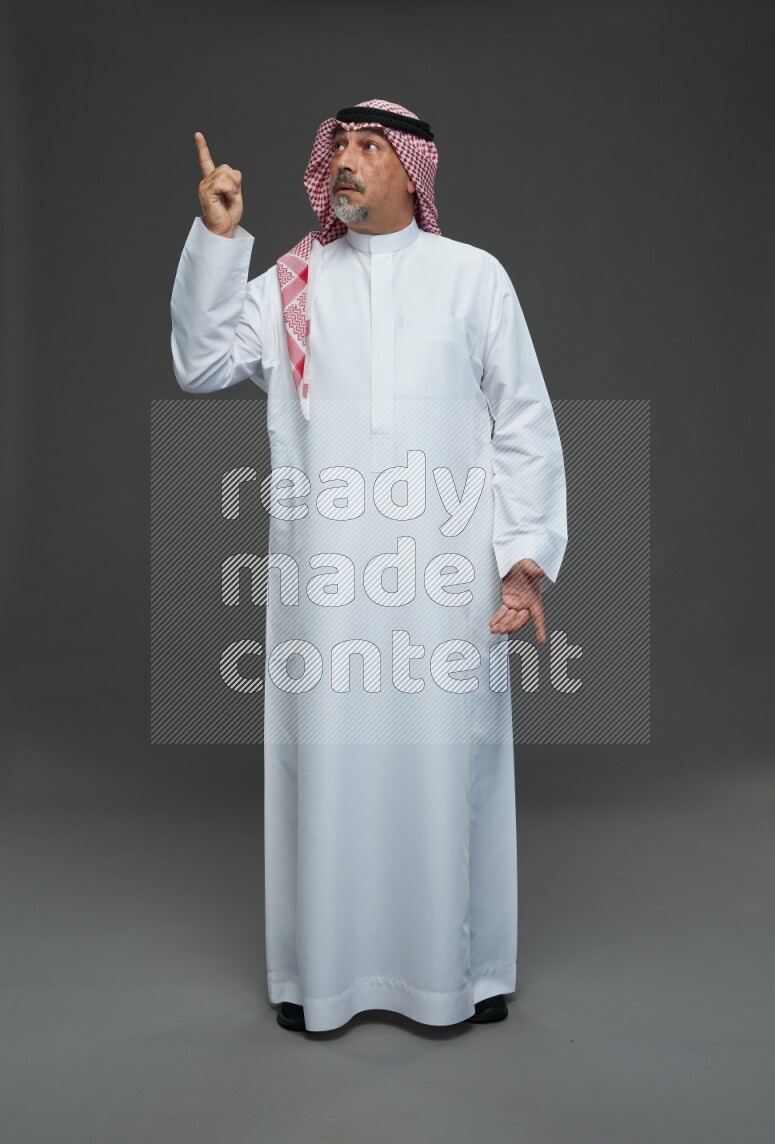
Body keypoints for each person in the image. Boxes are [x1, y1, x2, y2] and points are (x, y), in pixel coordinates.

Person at [170, 98, 568, 1033]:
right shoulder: (294, 282)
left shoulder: (474, 279)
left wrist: (522, 564)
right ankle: (325, 980)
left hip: (446, 583)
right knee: (330, 766)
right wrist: (217, 242)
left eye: (368, 147)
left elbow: (525, 428)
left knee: (451, 765)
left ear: (413, 169)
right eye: (337, 146)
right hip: (328, 584)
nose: (346, 161)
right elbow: (199, 365)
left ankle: (462, 974)